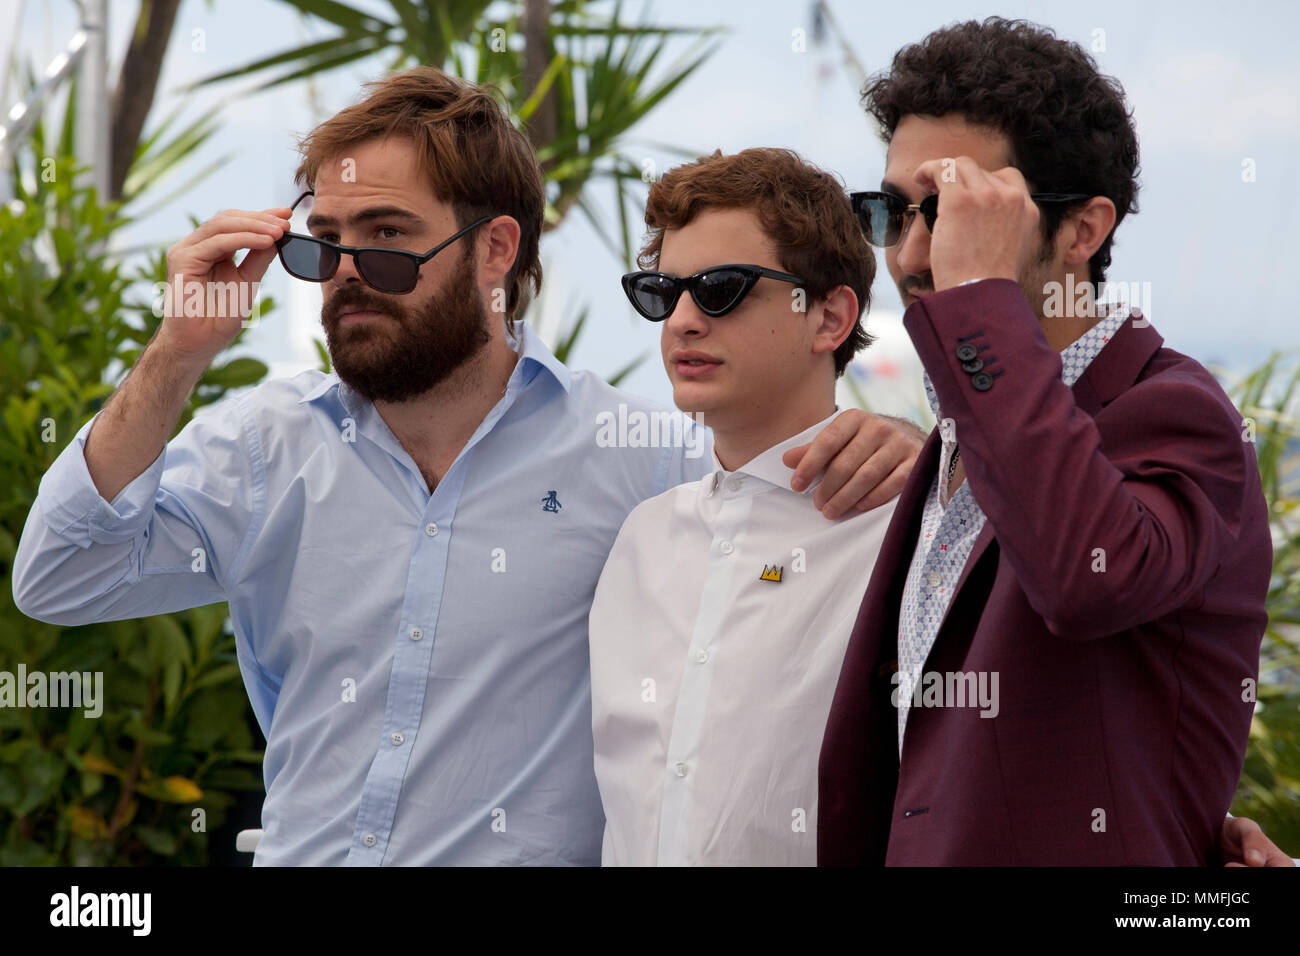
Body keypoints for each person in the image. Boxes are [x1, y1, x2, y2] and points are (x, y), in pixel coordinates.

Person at [10, 66, 919, 866]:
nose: (347, 272)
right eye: (322, 240)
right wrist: (178, 350)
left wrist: (913, 450)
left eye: (388, 235)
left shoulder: (643, 457)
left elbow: (773, 484)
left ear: (495, 250)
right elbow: (59, 575)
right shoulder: (264, 445)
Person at [819, 17, 1282, 866]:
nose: (915, 253)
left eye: (957, 210)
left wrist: (982, 299)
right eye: (891, 211)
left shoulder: (1181, 416)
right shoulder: (955, 436)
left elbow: (1083, 578)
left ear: (1083, 230)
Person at [589, 148, 906, 865]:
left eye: (723, 288)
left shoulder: (906, 532)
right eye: (662, 292)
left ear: (830, 318)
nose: (683, 321)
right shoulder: (642, 539)